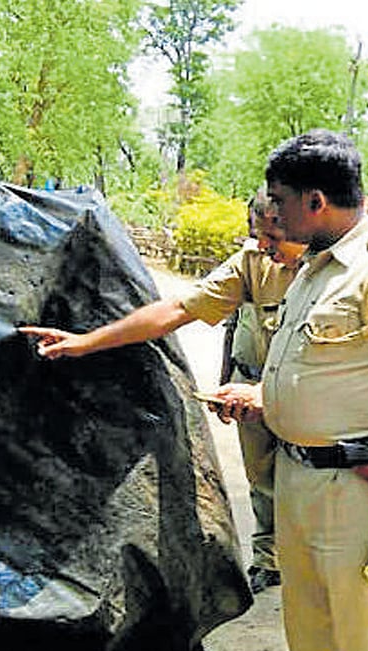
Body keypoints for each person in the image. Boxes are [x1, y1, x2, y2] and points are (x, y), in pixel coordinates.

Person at [215, 130, 368, 651]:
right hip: (296, 481)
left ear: (315, 202)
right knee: (313, 643)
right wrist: (263, 397)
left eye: (279, 200)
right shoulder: (312, 270)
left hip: (356, 489)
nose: (272, 213)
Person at [20, 191, 304, 594]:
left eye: (273, 236)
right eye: (259, 235)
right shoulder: (255, 263)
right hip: (255, 391)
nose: (263, 245)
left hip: (315, 412)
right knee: (262, 480)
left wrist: (270, 395)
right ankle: (269, 561)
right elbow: (174, 310)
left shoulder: (342, 272)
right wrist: (86, 342)